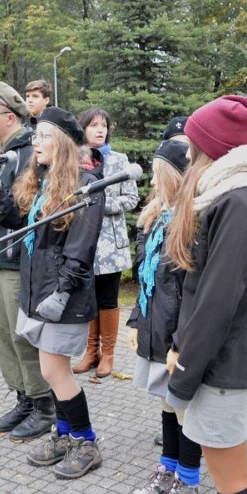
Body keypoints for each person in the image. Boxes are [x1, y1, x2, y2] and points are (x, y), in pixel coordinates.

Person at [164, 95, 247, 494]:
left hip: (222, 359)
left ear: (210, 149)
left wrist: (184, 371)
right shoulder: (235, 196)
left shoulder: (238, 204)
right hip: (218, 356)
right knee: (229, 462)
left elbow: (217, 300)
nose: (187, 153)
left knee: (227, 475)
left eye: (193, 145)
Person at [0, 107, 106, 480]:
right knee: (53, 374)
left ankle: (86, 442)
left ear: (64, 144)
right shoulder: (42, 182)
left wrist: (63, 293)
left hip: (62, 298)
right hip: (36, 291)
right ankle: (64, 435)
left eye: (44, 137)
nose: (36, 143)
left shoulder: (86, 187)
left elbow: (80, 250)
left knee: (55, 372)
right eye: (36, 136)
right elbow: (17, 222)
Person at [127, 140, 205, 494]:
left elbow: (192, 290)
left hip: (178, 333)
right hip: (154, 326)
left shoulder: (191, 223)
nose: (153, 185)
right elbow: (146, 278)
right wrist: (134, 319)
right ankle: (168, 467)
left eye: (158, 177)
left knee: (184, 407)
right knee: (167, 404)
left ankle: (188, 481)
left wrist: (180, 341)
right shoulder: (154, 217)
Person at [0, 79, 56, 441]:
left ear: (9, 117)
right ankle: (23, 397)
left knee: (21, 337)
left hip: (13, 264)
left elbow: (22, 217)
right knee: (1, 335)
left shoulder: (26, 156)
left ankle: (44, 405)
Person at [72, 108, 139, 377]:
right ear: (83, 129)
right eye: (94, 125)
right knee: (87, 297)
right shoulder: (74, 161)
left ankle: (108, 354)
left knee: (108, 299)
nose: (100, 130)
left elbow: (131, 199)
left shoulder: (121, 161)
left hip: (111, 243)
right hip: (83, 241)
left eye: (104, 125)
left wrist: (100, 204)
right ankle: (91, 351)